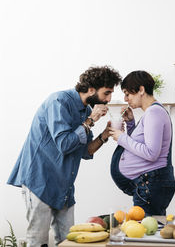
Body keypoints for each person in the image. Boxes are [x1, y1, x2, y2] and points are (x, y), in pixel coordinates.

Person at [7, 66, 122, 247]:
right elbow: (64, 144)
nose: (108, 99)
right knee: (37, 241)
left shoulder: (85, 111)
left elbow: (86, 151)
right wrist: (91, 120)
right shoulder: (59, 101)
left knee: (70, 241)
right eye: (106, 93)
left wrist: (104, 135)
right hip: (40, 181)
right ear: (91, 89)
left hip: (64, 187)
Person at [109, 70, 175, 215]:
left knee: (147, 234)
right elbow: (143, 143)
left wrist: (121, 137)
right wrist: (131, 124)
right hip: (148, 185)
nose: (126, 99)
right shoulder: (152, 112)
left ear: (141, 90)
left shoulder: (154, 113)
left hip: (150, 185)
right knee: (150, 231)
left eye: (128, 94)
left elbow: (151, 153)